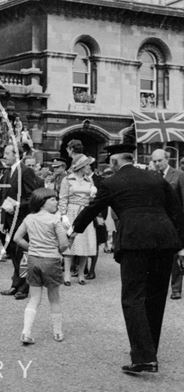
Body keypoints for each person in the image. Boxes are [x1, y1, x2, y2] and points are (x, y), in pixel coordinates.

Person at [69, 144, 184, 374]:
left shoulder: (111, 183)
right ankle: (149, 350)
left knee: (133, 297)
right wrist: (180, 246)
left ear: (113, 162)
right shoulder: (155, 178)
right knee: (156, 296)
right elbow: (177, 211)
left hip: (134, 242)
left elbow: (92, 209)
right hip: (164, 241)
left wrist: (73, 231)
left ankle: (143, 357)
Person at [14, 188, 69, 345]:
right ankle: (57, 332)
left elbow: (17, 238)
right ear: (42, 202)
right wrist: (59, 250)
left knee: (34, 298)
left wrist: (31, 247)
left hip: (33, 260)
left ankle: (26, 332)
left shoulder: (29, 218)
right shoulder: (54, 220)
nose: (56, 202)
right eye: (52, 199)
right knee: (54, 298)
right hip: (51, 261)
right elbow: (64, 243)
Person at [0, 144, 44, 300]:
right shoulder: (8, 172)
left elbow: (33, 197)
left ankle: (25, 287)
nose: (4, 156)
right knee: (13, 252)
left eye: (7, 153)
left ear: (16, 155)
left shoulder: (26, 171)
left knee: (21, 253)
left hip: (22, 219)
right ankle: (15, 284)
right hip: (9, 219)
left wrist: (18, 204)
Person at [58, 154, 97, 286]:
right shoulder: (67, 179)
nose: (89, 167)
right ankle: (67, 274)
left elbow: (93, 200)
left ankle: (81, 274)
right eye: (87, 165)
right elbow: (63, 198)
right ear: (81, 166)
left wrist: (92, 195)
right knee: (70, 243)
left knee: (84, 245)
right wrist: (63, 215)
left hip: (85, 213)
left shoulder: (89, 181)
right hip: (72, 212)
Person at [151, 149, 184, 300]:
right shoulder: (151, 176)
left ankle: (176, 288)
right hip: (158, 222)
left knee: (176, 254)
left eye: (159, 160)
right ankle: (160, 286)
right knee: (159, 254)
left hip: (175, 222)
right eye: (155, 161)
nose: (157, 164)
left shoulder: (178, 175)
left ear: (167, 159)